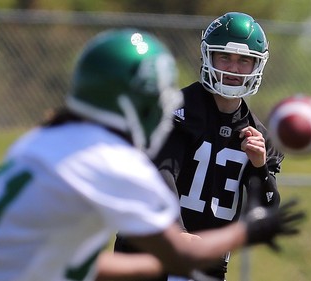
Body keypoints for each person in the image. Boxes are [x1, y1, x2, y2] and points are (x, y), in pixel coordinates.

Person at [0, 28, 302, 281]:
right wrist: (245, 232)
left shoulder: (41, 138)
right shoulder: (115, 164)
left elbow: (55, 258)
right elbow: (178, 254)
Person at [114, 12, 285, 281]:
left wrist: (259, 166)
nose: (233, 68)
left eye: (244, 60)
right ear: (208, 56)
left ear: (257, 65)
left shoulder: (260, 135)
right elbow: (160, 174)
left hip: (205, 266)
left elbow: (267, 211)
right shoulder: (174, 109)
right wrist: (177, 232)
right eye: (224, 57)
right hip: (147, 253)